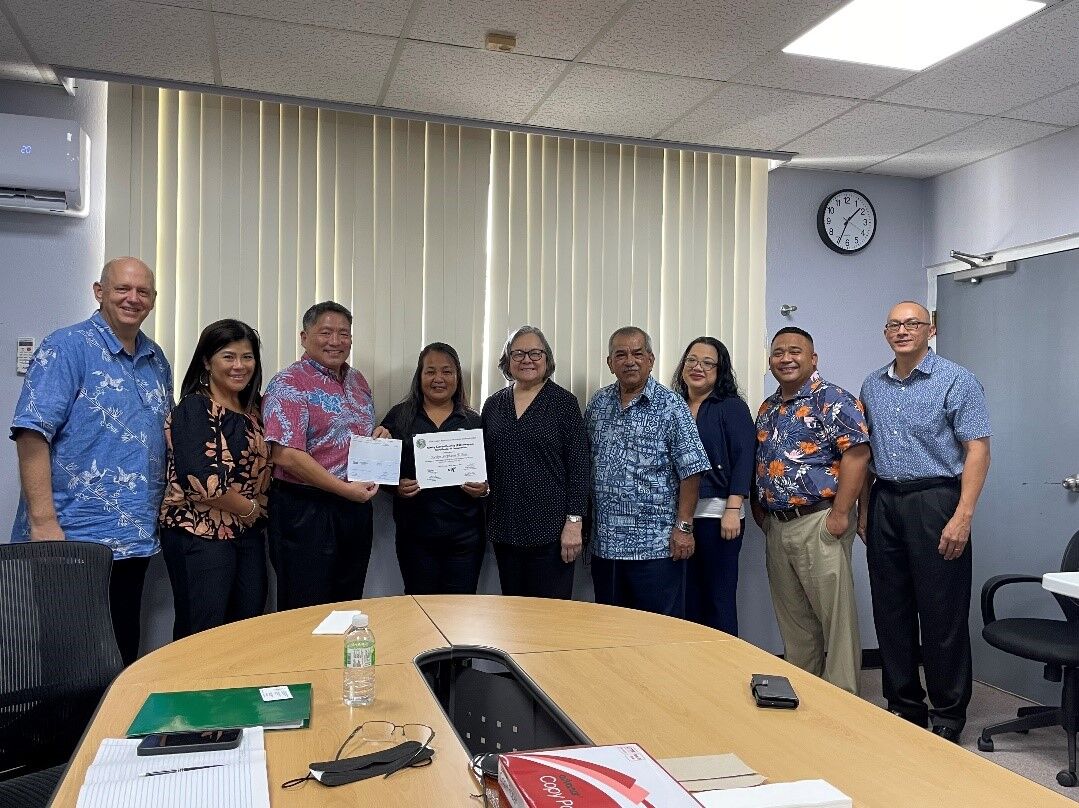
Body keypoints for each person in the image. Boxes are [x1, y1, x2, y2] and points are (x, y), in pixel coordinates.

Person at [10, 257, 173, 665]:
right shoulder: (67, 346)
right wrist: (43, 521)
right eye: (122, 289)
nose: (133, 298)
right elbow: (32, 433)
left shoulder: (156, 359)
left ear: (152, 301)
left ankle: (111, 730)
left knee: (121, 648)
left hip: (133, 538)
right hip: (72, 536)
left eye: (143, 292)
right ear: (99, 292)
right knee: (71, 658)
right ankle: (69, 733)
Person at [858, 301, 991, 742]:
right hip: (885, 501)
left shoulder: (957, 380)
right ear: (885, 332)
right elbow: (865, 455)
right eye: (894, 324)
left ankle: (949, 711)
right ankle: (903, 705)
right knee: (890, 608)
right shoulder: (872, 385)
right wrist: (864, 511)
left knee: (941, 610)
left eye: (912, 323)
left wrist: (963, 515)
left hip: (936, 500)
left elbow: (977, 449)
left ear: (929, 330)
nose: (902, 330)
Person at [752, 326, 869, 695]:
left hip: (820, 520)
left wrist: (841, 514)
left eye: (795, 351)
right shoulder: (768, 407)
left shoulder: (833, 399)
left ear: (812, 358)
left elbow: (858, 455)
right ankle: (805, 693)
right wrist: (764, 515)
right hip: (778, 525)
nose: (786, 358)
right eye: (778, 352)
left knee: (835, 620)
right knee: (795, 621)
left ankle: (842, 699)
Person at [261, 301, 379, 610]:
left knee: (348, 601)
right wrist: (345, 491)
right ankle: (306, 661)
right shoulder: (288, 383)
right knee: (306, 606)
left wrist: (380, 436)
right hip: (305, 509)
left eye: (344, 333)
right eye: (325, 332)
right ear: (304, 337)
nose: (336, 341)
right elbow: (285, 455)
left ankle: (340, 660)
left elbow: (348, 436)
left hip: (353, 508)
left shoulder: (358, 381)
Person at [158, 319, 272, 639]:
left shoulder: (257, 408)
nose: (239, 365)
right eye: (228, 356)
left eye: (247, 357)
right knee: (203, 633)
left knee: (246, 630)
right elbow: (202, 482)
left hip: (246, 534)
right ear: (207, 361)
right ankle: (193, 690)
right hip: (200, 534)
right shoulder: (196, 407)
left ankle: (234, 691)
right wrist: (250, 510)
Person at [585, 326, 710, 617]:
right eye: (621, 354)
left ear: (651, 359)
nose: (630, 361)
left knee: (655, 635)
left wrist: (684, 528)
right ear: (610, 363)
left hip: (655, 546)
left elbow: (691, 470)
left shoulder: (671, 406)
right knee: (610, 631)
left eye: (637, 353)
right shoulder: (598, 404)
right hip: (607, 546)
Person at [481, 326, 589, 600]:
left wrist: (574, 522)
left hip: (552, 533)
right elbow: (484, 463)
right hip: (506, 528)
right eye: (518, 353)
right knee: (514, 614)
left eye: (535, 353)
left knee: (549, 617)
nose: (527, 359)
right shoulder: (493, 405)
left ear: (547, 358)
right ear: (507, 361)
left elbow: (579, 466)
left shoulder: (564, 403)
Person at [381, 342, 487, 595]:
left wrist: (482, 489)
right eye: (430, 371)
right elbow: (380, 471)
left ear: (457, 377)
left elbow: (491, 474)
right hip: (415, 536)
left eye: (447, 371)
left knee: (460, 611)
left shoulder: (473, 420)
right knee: (421, 609)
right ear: (419, 377)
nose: (438, 378)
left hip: (465, 537)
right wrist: (395, 486)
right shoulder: (399, 417)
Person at [671, 336, 756, 636]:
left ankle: (724, 673)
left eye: (708, 363)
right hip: (678, 520)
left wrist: (733, 508)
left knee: (717, 601)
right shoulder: (673, 406)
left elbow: (745, 458)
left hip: (719, 517)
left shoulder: (730, 407)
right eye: (692, 360)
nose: (698, 367)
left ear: (721, 371)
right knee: (685, 603)